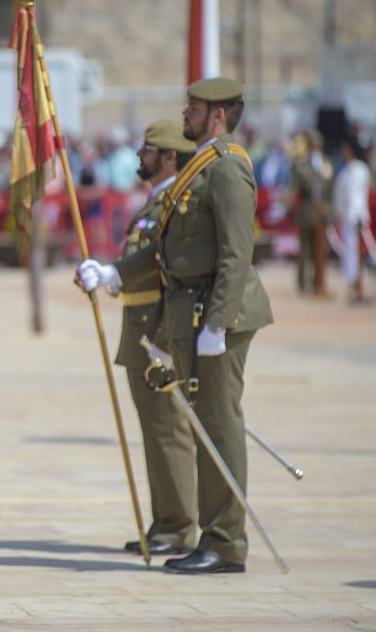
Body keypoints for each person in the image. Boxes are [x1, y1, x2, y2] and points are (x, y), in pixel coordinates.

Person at [78, 77, 273, 574]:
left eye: (195, 108)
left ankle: (226, 543)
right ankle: (212, 535)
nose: (186, 114)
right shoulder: (205, 167)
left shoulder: (227, 168)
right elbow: (170, 248)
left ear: (220, 115)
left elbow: (236, 253)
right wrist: (115, 272)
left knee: (219, 429)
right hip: (195, 313)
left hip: (215, 314)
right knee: (208, 427)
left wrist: (220, 323)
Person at [75, 120, 199, 556]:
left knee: (168, 432)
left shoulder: (174, 202)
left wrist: (113, 274)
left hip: (159, 333)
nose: (138, 157)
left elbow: (165, 263)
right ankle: (166, 521)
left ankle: (179, 526)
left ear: (169, 156)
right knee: (155, 432)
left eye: (147, 150)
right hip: (142, 328)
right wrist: (111, 279)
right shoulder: (155, 202)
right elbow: (141, 264)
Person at [286, 130, 332, 294]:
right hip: (306, 210)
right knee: (304, 249)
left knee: (318, 248)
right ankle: (302, 281)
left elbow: (330, 188)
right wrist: (286, 205)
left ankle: (317, 281)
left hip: (321, 212)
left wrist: (329, 207)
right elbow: (294, 188)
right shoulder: (301, 165)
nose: (315, 149)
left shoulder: (326, 163)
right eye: (312, 146)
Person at [333, 135, 371, 303]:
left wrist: (353, 213)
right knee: (349, 251)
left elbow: (356, 195)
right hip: (347, 216)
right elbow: (340, 194)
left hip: (356, 214)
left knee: (356, 251)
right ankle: (352, 281)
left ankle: (358, 283)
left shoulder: (359, 169)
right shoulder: (346, 169)